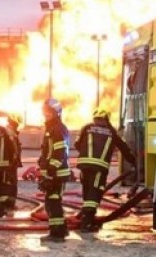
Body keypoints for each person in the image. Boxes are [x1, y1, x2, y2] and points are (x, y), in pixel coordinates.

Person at [74, 105, 137, 233]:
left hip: (84, 166)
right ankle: (86, 224)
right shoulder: (111, 131)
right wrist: (134, 162)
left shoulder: (86, 128)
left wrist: (87, 155)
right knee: (94, 193)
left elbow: (77, 144)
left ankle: (87, 219)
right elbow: (123, 148)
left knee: (87, 192)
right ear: (107, 118)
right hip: (99, 167)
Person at [38, 98, 71, 242]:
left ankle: (57, 233)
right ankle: (59, 230)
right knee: (51, 202)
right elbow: (49, 151)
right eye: (45, 112)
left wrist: (51, 173)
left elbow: (59, 152)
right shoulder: (52, 128)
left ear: (56, 112)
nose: (46, 114)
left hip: (56, 174)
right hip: (53, 173)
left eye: (49, 112)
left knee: (53, 202)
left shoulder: (57, 129)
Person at [4, 112, 24, 211]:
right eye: (16, 123)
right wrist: (14, 160)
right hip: (10, 163)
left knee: (10, 183)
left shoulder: (10, 131)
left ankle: (8, 203)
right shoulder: (10, 132)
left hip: (10, 163)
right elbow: (13, 149)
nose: (17, 125)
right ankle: (9, 204)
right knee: (11, 184)